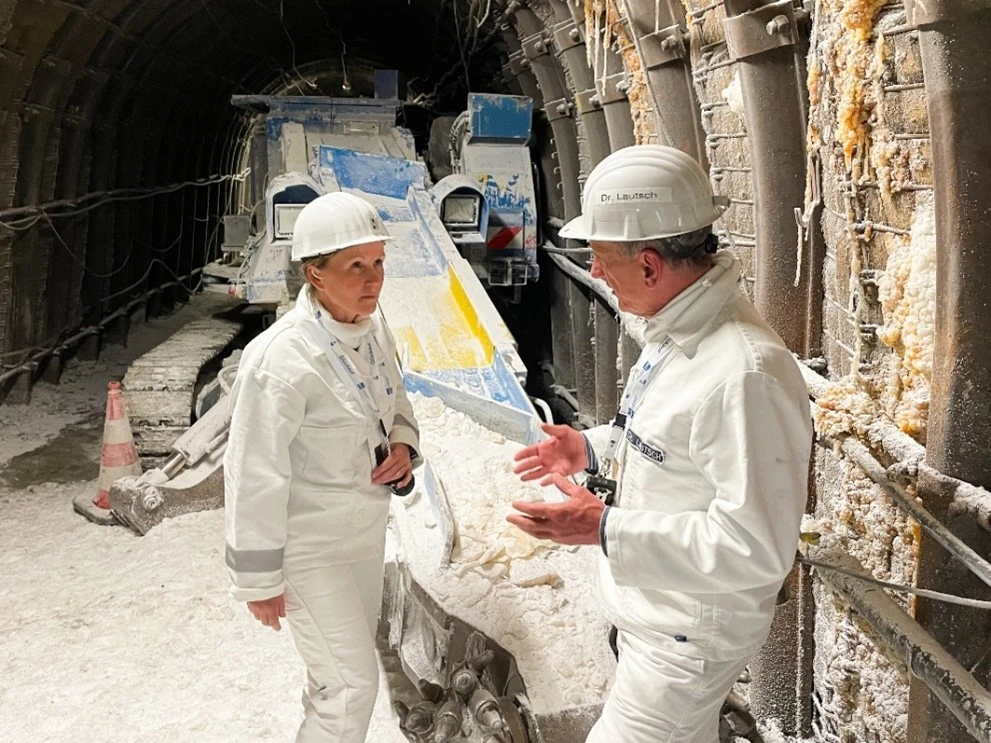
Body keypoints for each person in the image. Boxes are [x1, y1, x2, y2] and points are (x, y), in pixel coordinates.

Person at [508, 145, 813, 743]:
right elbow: (667, 444)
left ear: (649, 265)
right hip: (661, 614)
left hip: (687, 639)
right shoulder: (678, 325)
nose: (593, 271)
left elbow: (755, 548)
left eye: (600, 257)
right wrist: (590, 448)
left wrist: (602, 528)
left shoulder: (744, 372)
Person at [223, 191, 422, 743]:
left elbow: (395, 406)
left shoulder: (373, 328)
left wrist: (403, 448)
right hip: (308, 550)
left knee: (334, 681)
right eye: (355, 265)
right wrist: (259, 579)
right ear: (314, 273)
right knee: (351, 686)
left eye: (378, 261)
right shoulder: (280, 359)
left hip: (362, 538)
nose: (373, 278)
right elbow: (253, 473)